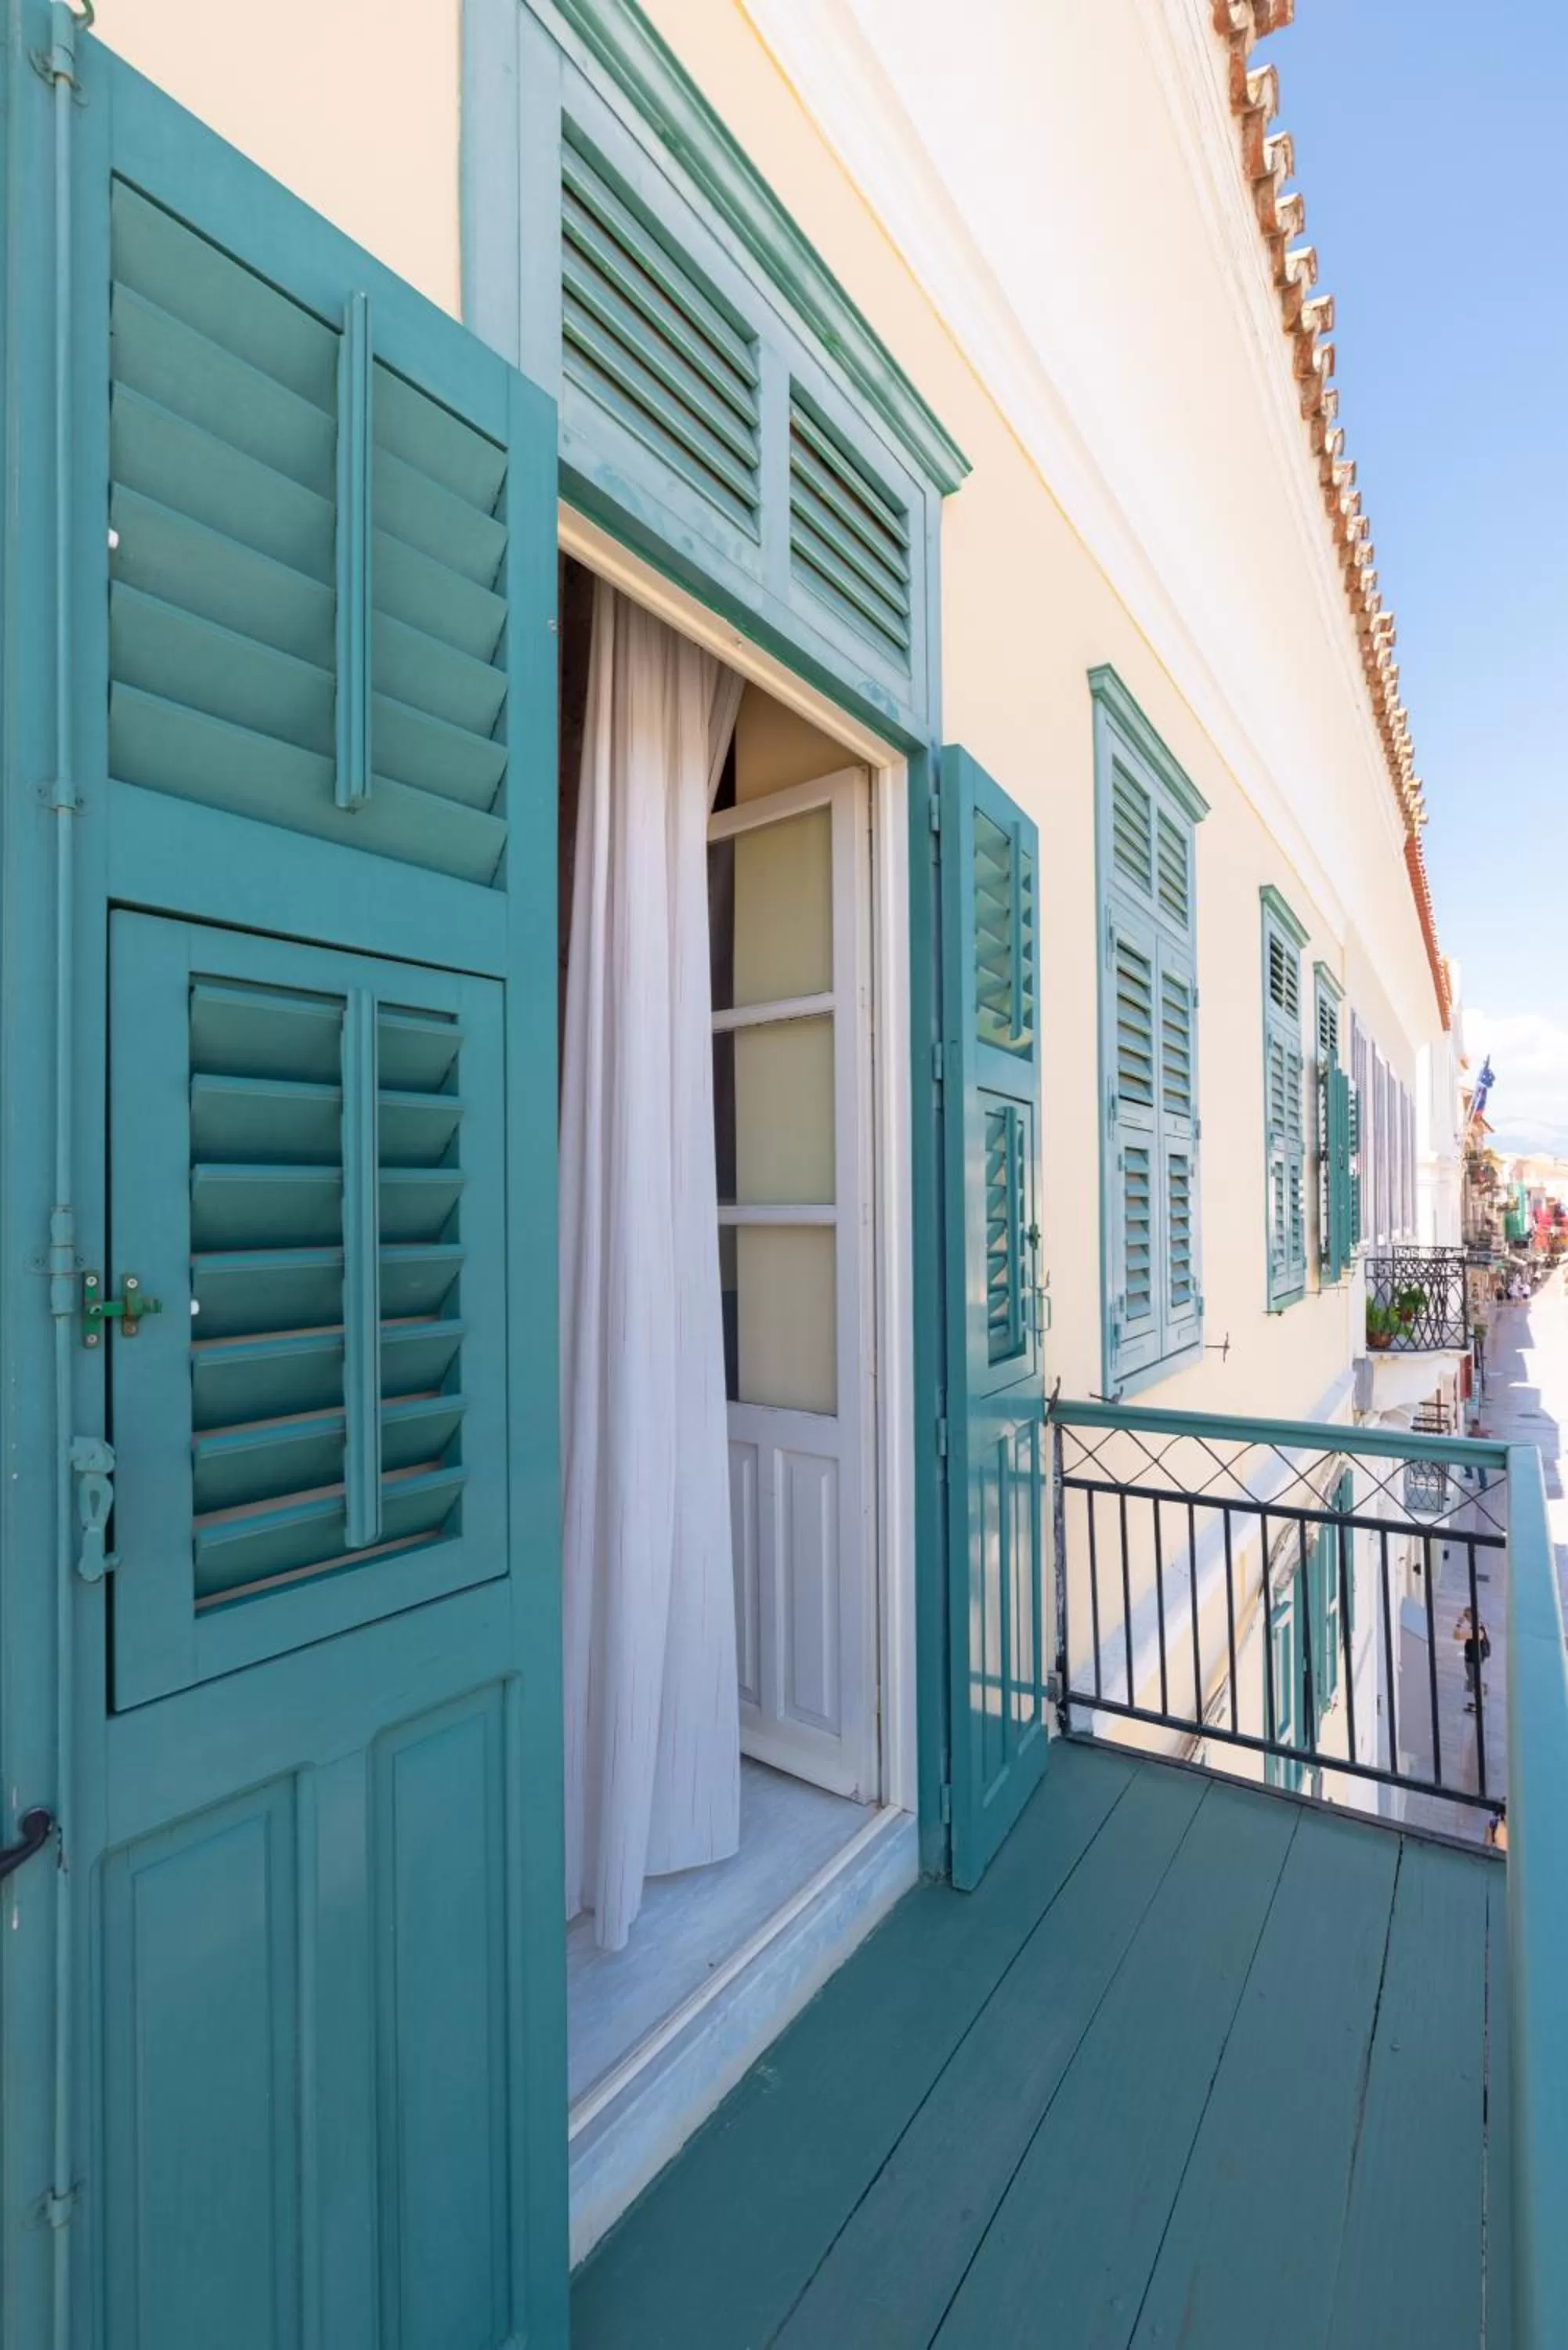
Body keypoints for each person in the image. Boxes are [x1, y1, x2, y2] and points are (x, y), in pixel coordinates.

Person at [1454, 1607, 1490, 1712]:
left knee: (1475, 1683)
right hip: (1475, 1659)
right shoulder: (1479, 1626)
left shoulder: (1475, 1631)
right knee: (1474, 1681)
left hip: (1473, 1661)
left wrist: (1459, 1624)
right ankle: (1478, 1700)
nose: (1464, 1617)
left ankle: (1478, 1705)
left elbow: (1456, 1636)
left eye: (1466, 1616)